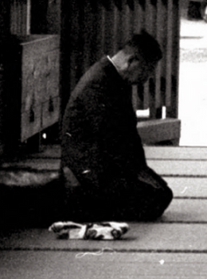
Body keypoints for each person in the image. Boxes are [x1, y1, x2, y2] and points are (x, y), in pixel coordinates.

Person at [60, 31, 174, 223]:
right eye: (146, 70)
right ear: (132, 61)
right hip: (88, 172)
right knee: (156, 197)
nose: (146, 78)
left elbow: (125, 137)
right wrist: (135, 174)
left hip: (104, 164)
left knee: (160, 192)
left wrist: (140, 172)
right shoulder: (98, 84)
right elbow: (111, 141)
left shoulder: (111, 77)